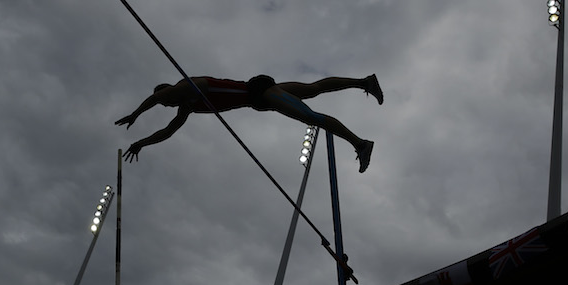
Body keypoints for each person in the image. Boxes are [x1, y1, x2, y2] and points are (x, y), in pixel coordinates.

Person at [115, 74, 382, 172]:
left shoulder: (187, 86)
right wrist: (142, 143)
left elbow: (157, 98)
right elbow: (168, 131)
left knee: (310, 117)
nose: (168, 105)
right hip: (260, 97)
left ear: (168, 91)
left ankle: (360, 144)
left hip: (258, 92)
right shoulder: (188, 106)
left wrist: (135, 114)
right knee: (313, 89)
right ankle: (364, 82)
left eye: (167, 101)